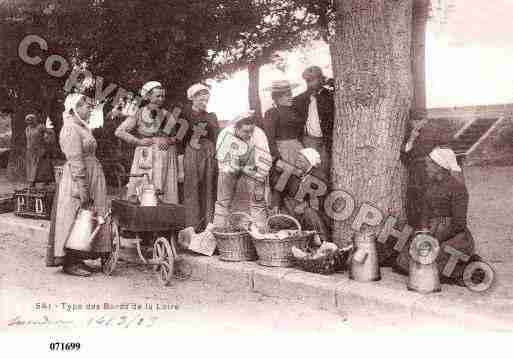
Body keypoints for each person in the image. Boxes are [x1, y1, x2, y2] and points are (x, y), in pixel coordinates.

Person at [395, 146, 480, 284]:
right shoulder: (431, 186)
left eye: (429, 164)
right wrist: (423, 232)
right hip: (432, 230)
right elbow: (425, 213)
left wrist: (437, 239)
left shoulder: (458, 189)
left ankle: (467, 267)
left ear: (439, 167)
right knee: (405, 263)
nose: (427, 167)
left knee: (431, 263)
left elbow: (459, 224)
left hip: (452, 235)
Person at [46, 93, 109, 276]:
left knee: (89, 215)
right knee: (75, 213)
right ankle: (70, 261)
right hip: (77, 176)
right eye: (87, 106)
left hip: (91, 174)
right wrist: (82, 186)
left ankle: (80, 256)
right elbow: (75, 159)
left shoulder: (82, 127)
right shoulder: (70, 129)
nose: (90, 109)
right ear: (75, 108)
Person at [115, 81, 179, 204]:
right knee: (146, 188)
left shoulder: (168, 115)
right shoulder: (138, 113)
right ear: (148, 97)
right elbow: (119, 131)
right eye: (157, 96)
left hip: (166, 156)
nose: (161, 99)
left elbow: (177, 137)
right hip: (147, 154)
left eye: (162, 96)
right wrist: (138, 141)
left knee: (165, 191)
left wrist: (169, 140)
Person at [214, 111, 272, 229]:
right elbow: (224, 165)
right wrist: (240, 168)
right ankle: (219, 232)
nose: (250, 134)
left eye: (251, 131)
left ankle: (260, 234)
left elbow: (265, 159)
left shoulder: (259, 133)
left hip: (253, 166)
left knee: (258, 202)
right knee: (223, 202)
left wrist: (258, 175)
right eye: (246, 131)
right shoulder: (225, 134)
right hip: (229, 167)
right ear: (236, 128)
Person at [269, 147, 331, 243]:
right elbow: (278, 190)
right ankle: (290, 242)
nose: (297, 162)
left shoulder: (319, 176)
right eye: (297, 159)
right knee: (275, 221)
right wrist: (275, 205)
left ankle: (323, 242)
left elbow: (322, 199)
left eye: (301, 160)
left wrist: (305, 204)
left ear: (309, 163)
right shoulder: (292, 172)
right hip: (292, 209)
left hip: (310, 211)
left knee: (310, 213)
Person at [181, 83, 219, 231]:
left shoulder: (211, 116)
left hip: (209, 152)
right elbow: (180, 138)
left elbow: (216, 137)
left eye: (206, 97)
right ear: (193, 98)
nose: (204, 100)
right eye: (200, 97)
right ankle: (191, 228)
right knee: (192, 188)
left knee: (209, 188)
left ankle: (207, 227)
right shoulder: (184, 115)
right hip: (191, 152)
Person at [263, 80, 305, 210]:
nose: (289, 97)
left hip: (297, 150)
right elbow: (269, 137)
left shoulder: (295, 111)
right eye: (285, 95)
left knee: (298, 184)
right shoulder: (272, 113)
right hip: (281, 151)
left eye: (290, 93)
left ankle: (295, 215)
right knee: (279, 184)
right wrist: (276, 158)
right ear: (277, 97)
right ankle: (276, 215)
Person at [294, 66, 334, 180]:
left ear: (321, 79)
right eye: (307, 80)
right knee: (309, 170)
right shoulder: (300, 99)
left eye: (312, 80)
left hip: (326, 139)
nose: (309, 83)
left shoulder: (330, 96)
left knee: (325, 168)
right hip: (309, 139)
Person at [25, 113, 55, 187]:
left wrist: (47, 141)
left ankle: (46, 180)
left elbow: (50, 132)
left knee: (43, 166)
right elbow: (28, 140)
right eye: (28, 120)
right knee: (32, 166)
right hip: (30, 151)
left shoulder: (40, 127)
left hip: (40, 150)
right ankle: (32, 181)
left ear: (34, 120)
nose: (29, 122)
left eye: (31, 120)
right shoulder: (27, 129)